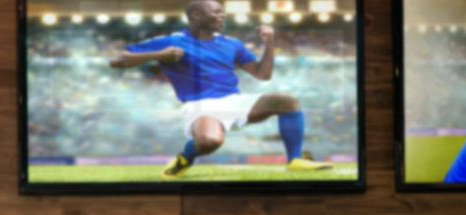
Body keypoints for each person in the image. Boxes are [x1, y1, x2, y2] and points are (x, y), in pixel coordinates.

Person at [112, 0, 333, 179]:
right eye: (216, 11)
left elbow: (262, 74)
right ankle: (184, 158)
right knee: (209, 142)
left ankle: (294, 159)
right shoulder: (172, 40)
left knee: (287, 100)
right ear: (196, 15)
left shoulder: (232, 43)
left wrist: (270, 43)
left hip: (234, 100)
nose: (222, 15)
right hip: (200, 105)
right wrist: (158, 55)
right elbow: (117, 61)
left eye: (222, 12)